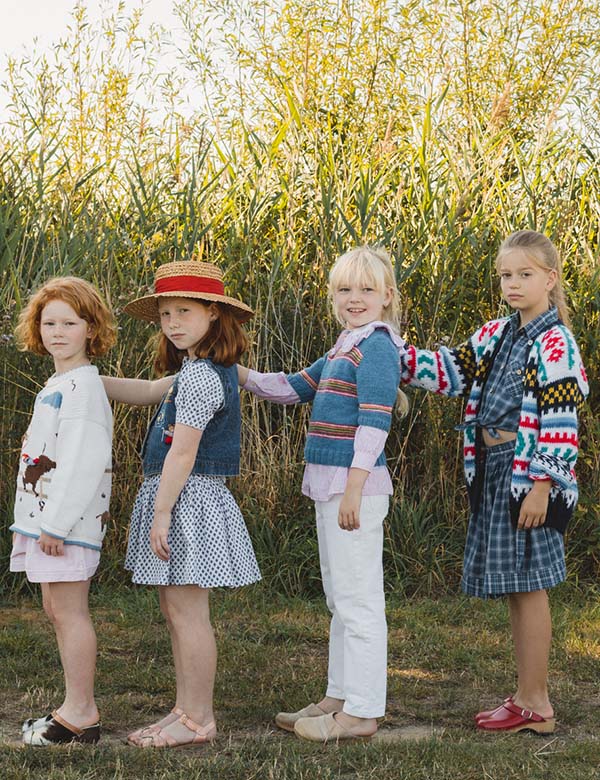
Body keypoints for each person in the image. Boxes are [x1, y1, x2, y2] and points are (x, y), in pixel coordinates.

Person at [401, 230, 588, 733]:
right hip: (494, 470)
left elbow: (561, 421)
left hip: (527, 475)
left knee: (530, 587)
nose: (513, 283)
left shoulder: (556, 342)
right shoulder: (497, 333)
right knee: (517, 587)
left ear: (549, 278)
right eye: (506, 275)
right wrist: (392, 353)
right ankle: (528, 695)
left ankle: (537, 704)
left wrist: (543, 485)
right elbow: (449, 371)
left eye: (524, 274)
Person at [239, 246, 408, 742]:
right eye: (344, 289)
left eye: (366, 290)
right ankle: (339, 695)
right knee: (340, 598)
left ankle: (362, 712)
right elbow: (293, 386)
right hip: (332, 486)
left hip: (354, 488)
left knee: (359, 602)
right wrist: (236, 371)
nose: (354, 298)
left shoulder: (376, 345)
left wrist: (355, 487)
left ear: (386, 296)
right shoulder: (344, 344)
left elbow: (376, 421)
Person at [102, 260, 261, 749]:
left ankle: (198, 718)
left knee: (189, 614)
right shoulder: (193, 370)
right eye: (166, 313)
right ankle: (184, 709)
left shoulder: (202, 377)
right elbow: (148, 391)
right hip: (181, 497)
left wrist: (162, 511)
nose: (172, 322)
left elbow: (185, 450)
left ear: (213, 314)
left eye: (184, 311)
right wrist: (88, 381)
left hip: (188, 502)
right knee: (176, 611)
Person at [11, 277, 115, 746]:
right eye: (48, 322)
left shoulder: (82, 390)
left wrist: (55, 523)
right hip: (48, 522)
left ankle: (81, 716)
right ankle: (73, 706)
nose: (57, 332)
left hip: (64, 525)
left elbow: (83, 463)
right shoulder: (61, 382)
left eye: (69, 323)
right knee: (56, 608)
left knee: (70, 612)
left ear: (90, 329)